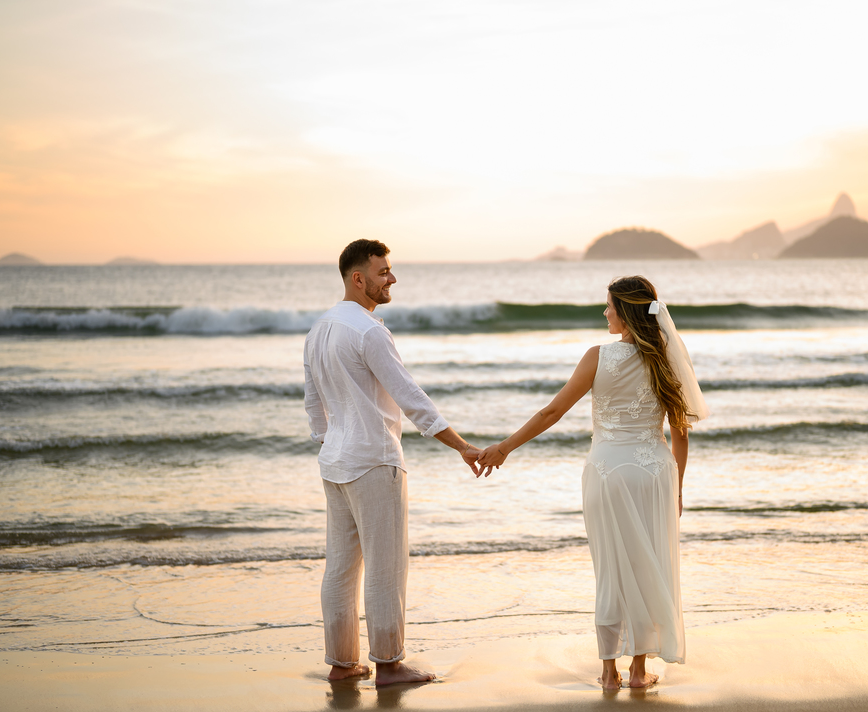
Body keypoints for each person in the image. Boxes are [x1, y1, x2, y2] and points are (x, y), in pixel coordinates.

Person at [477, 276, 708, 689]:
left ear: (626, 311)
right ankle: (638, 671)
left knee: (610, 570)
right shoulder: (666, 359)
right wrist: (678, 488)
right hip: (655, 473)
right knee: (647, 566)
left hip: (605, 473)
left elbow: (552, 413)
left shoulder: (597, 357)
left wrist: (505, 447)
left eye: (609, 306)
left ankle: (608, 671)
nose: (605, 313)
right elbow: (681, 433)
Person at [303, 239, 483, 686]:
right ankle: (389, 665)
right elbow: (411, 398)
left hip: (336, 462)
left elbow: (313, 405)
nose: (392, 278)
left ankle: (343, 664)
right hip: (374, 461)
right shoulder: (368, 331)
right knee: (386, 568)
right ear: (357, 278)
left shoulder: (318, 330)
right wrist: (461, 446)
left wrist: (331, 444)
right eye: (383, 272)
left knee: (340, 569)